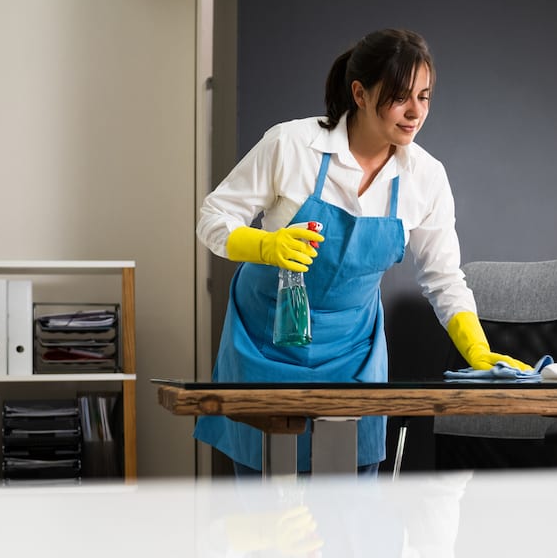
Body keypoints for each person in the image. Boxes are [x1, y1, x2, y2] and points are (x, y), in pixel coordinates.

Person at [193, 28, 532, 476]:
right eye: (400, 97)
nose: (415, 113)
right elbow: (212, 218)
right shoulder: (292, 145)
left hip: (353, 352)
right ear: (360, 93)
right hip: (266, 344)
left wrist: (477, 348)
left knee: (352, 520)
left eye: (425, 97)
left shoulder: (425, 177)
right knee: (267, 516)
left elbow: (443, 276)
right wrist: (264, 245)